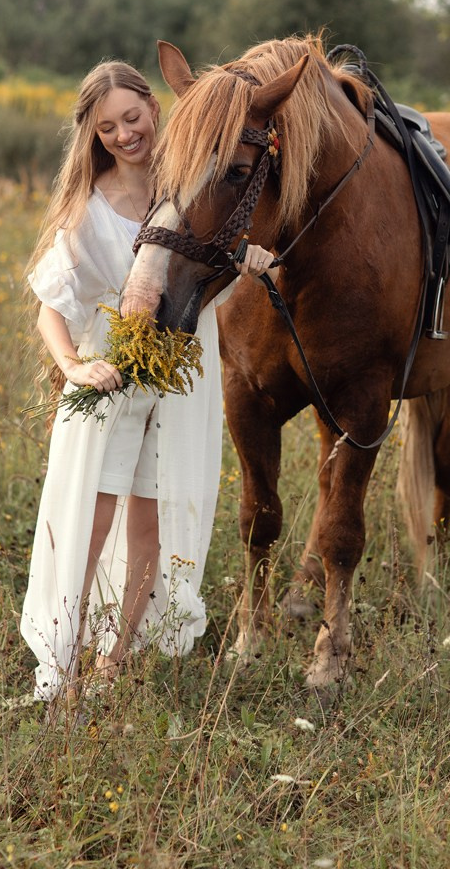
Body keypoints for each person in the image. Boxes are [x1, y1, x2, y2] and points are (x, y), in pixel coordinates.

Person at [21, 60, 274, 701]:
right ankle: (67, 666)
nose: (124, 135)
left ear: (154, 108)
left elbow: (213, 255)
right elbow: (52, 305)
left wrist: (247, 261)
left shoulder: (190, 182)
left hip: (180, 371)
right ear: (94, 136)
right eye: (107, 128)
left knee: (152, 527)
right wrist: (76, 366)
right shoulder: (89, 203)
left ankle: (117, 665)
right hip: (110, 372)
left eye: (131, 117)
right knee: (91, 519)